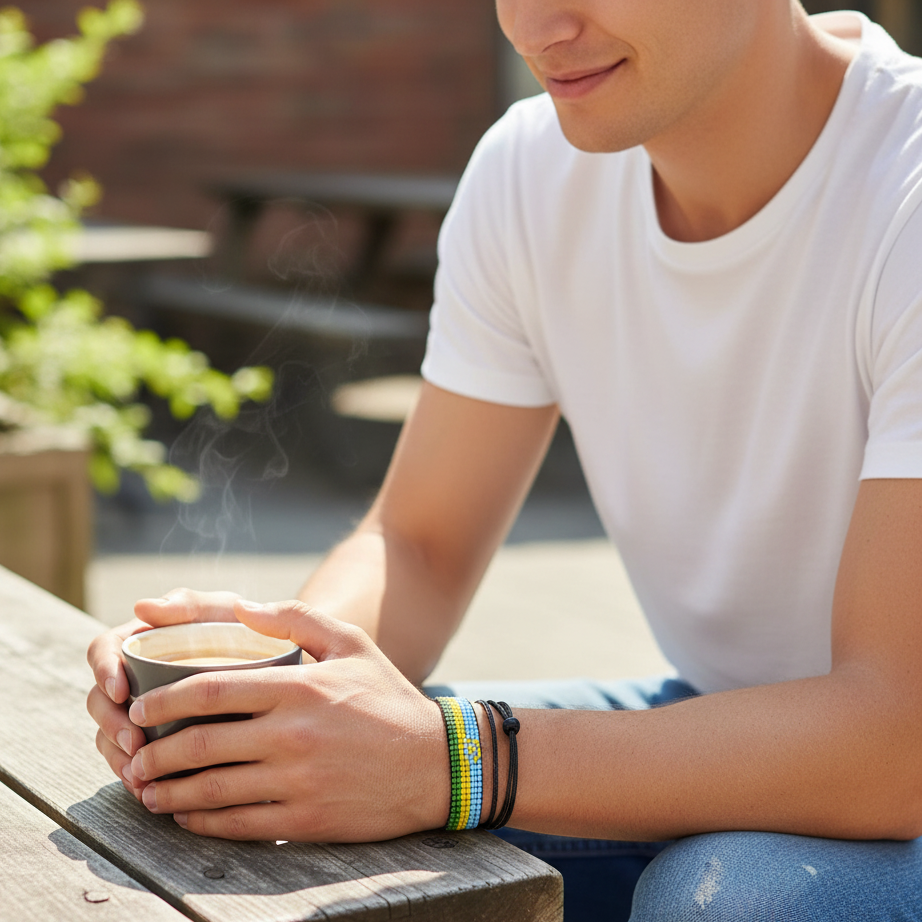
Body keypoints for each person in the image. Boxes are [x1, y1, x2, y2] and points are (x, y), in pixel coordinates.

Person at [87, 2, 922, 919]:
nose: (533, 26)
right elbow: (419, 542)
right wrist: (278, 680)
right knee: (306, 789)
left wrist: (458, 759)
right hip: (724, 708)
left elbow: (893, 742)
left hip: (893, 770)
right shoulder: (533, 171)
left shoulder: (903, 187)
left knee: (727, 902)